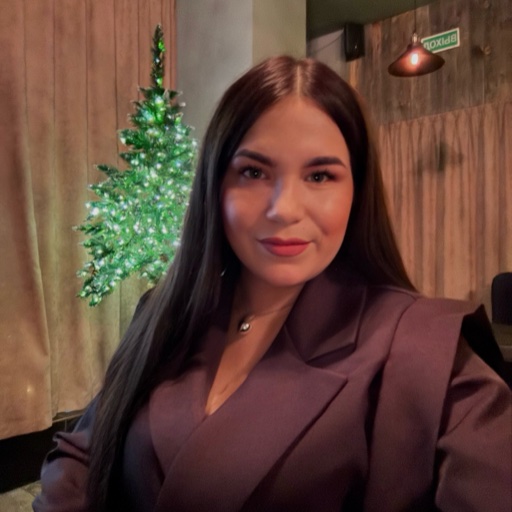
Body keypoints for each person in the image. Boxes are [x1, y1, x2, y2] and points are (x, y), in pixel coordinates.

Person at [33, 56, 511, 512]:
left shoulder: (426, 350)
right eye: (254, 172)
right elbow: (83, 452)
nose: (284, 209)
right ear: (215, 185)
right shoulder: (167, 309)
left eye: (320, 175)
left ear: (356, 190)